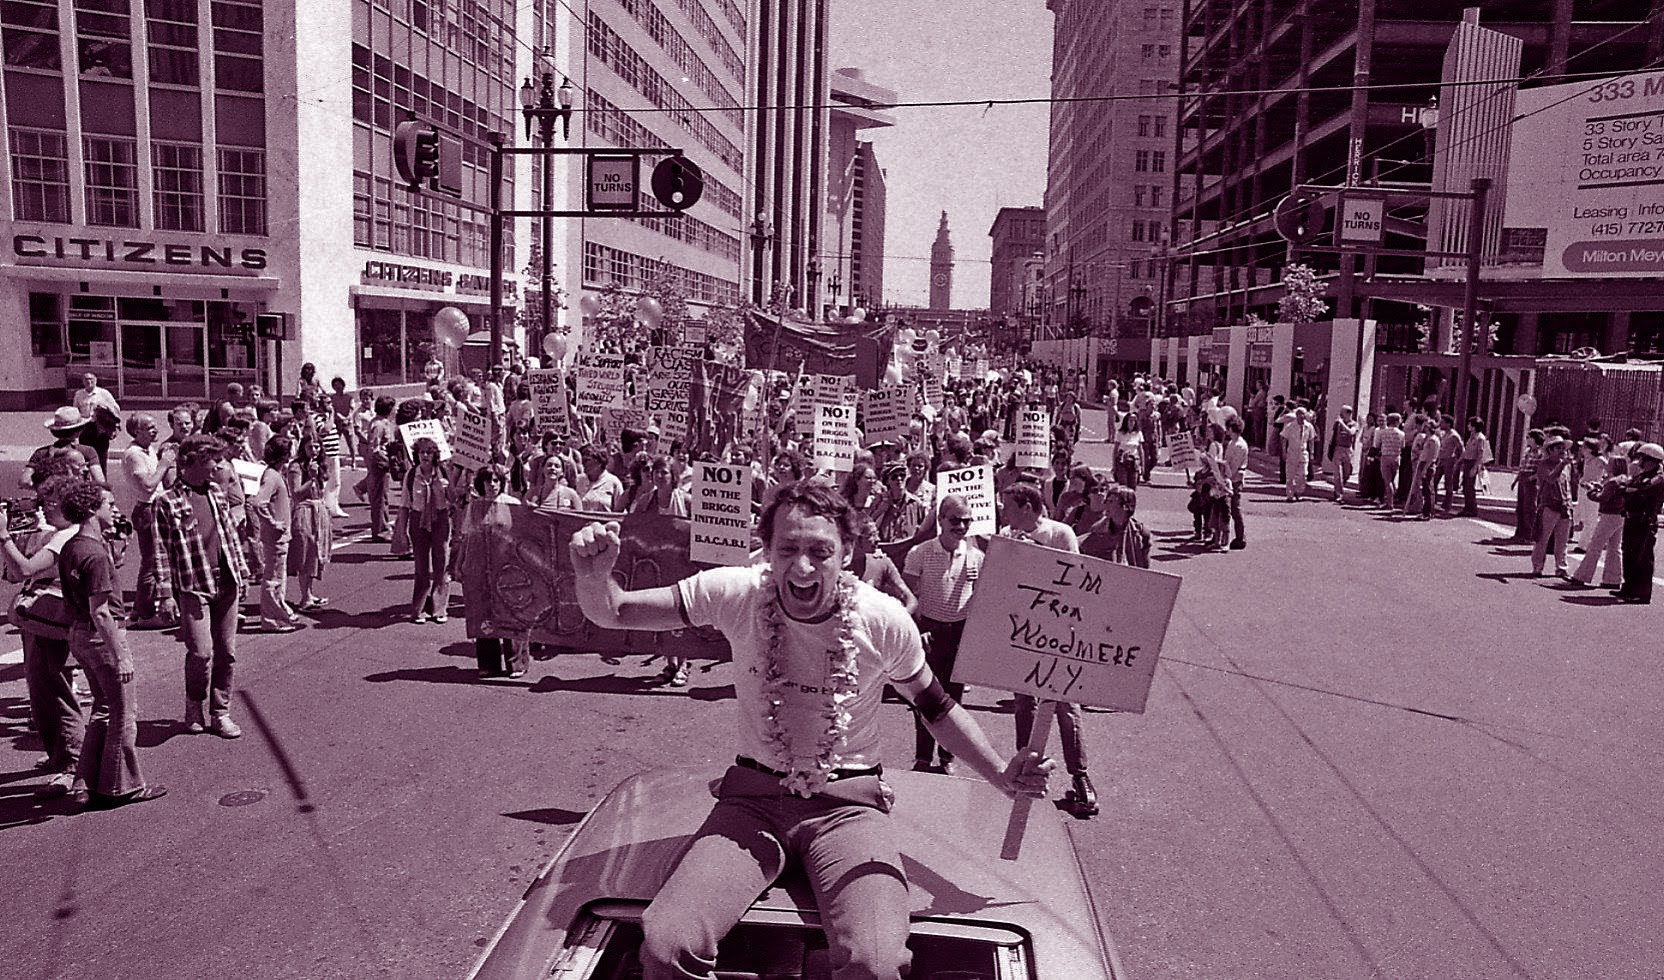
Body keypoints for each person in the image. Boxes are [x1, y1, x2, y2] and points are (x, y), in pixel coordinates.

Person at [567, 481, 1052, 979]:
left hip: (849, 809)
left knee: (876, 963)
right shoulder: (735, 592)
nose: (801, 567)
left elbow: (936, 707)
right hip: (751, 803)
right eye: (788, 549)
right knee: (667, 945)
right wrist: (593, 575)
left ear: (847, 553)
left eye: (820, 551)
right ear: (766, 552)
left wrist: (1001, 773)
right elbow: (616, 610)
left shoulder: (883, 620)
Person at [54, 479, 167, 809]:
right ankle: (122, 785)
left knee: (103, 708)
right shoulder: (95, 555)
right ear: (92, 510)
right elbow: (101, 611)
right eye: (108, 504)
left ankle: (84, 781)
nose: (114, 508)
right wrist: (122, 656)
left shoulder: (73, 547)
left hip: (79, 635)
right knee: (124, 713)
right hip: (102, 637)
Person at [998, 478, 1096, 817]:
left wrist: (1033, 553)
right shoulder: (1008, 537)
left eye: (1008, 507)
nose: (1003, 512)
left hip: (1056, 633)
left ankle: (1080, 777)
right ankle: (1026, 765)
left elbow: (1072, 581)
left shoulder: (1060, 534)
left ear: (1027, 507)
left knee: (1065, 706)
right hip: (1024, 630)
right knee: (1023, 702)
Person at [151, 433, 251, 739]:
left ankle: (220, 712)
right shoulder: (166, 501)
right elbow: (160, 550)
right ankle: (193, 704)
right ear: (191, 461)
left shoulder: (216, 493)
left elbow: (229, 537)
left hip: (226, 580)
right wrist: (166, 593)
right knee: (201, 652)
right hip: (194, 585)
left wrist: (242, 572)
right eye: (213, 460)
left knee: (227, 651)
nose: (218, 466)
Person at [0, 477, 84, 797]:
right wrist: (20, 538)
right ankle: (59, 755)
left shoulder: (67, 537)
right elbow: (11, 574)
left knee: (59, 693)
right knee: (40, 694)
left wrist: (4, 535)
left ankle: (73, 764)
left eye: (49, 504)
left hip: (56, 620)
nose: (43, 510)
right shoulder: (52, 533)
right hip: (37, 619)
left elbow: (24, 570)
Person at [901, 494, 978, 776]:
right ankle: (923, 756)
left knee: (954, 700)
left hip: (959, 633)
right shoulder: (920, 553)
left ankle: (947, 756)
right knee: (925, 697)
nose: (960, 526)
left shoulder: (976, 557)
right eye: (954, 520)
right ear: (941, 521)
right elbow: (907, 596)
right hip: (929, 631)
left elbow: (982, 601)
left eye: (966, 521)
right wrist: (918, 630)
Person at [249, 436, 304, 633]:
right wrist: (273, 523)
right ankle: (271, 619)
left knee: (278, 578)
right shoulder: (272, 476)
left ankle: (279, 613)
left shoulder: (275, 474)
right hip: (276, 536)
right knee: (273, 578)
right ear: (285, 456)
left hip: (280, 535)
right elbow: (258, 502)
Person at [403, 437, 453, 623]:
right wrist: (401, 531)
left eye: (429, 452)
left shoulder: (443, 473)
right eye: (422, 452)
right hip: (418, 521)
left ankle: (439, 608)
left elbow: (454, 500)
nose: (425, 456)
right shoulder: (411, 475)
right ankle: (420, 608)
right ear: (416, 454)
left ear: (435, 455)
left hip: (440, 518)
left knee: (441, 563)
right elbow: (405, 505)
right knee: (421, 567)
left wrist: (447, 489)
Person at [1613, 442, 1664, 604]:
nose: (1640, 461)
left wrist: (1629, 488)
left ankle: (1642, 592)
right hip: (1632, 517)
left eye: (1643, 458)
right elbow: (1627, 486)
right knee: (1628, 553)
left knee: (1642, 556)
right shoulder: (1643, 474)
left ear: (1652, 460)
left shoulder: (1658, 477)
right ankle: (1628, 587)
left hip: (1645, 521)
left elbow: (1641, 488)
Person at [21, 407, 105, 489]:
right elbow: (99, 481)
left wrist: (44, 489)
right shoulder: (88, 451)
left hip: (47, 500)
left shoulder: (40, 453)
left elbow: (25, 481)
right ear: (80, 430)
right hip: (77, 497)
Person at [1531, 436, 1574, 578]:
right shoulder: (1543, 465)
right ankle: (1537, 566)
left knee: (1562, 541)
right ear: (1550, 450)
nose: (1562, 450)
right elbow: (1550, 479)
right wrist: (1561, 465)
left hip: (1564, 505)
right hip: (1549, 505)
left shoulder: (1567, 465)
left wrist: (1570, 504)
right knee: (1542, 538)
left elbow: (1568, 485)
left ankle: (1561, 568)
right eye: (1558, 448)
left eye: (1563, 448)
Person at [1080, 483, 1151, 568]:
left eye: (1111, 502)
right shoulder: (1098, 530)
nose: (1106, 505)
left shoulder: (1141, 533)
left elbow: (1145, 569)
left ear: (1125, 506)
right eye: (1107, 501)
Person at [364, 395, 400, 542]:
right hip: (380, 465)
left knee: (383, 497)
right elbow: (375, 447)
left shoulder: (383, 422)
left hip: (383, 465)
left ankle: (382, 526)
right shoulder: (378, 425)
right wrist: (387, 461)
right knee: (379, 499)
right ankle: (380, 530)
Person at [72, 372, 122, 472]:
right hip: (85, 427)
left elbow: (116, 408)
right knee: (86, 455)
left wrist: (104, 408)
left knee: (101, 454)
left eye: (91, 379)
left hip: (100, 427)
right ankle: (88, 481)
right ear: (83, 381)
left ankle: (103, 479)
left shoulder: (104, 393)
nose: (88, 381)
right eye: (86, 379)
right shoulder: (79, 394)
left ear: (96, 381)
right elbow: (75, 410)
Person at [1458, 417, 1492, 516]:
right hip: (1467, 462)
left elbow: (1480, 454)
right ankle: (1467, 507)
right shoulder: (1471, 437)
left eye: (1470, 424)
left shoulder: (1480, 438)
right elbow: (1467, 451)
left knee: (1469, 487)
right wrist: (1460, 460)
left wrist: (1475, 467)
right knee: (1465, 486)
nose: (1468, 426)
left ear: (1474, 426)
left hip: (1472, 463)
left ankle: (1472, 509)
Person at [1282, 407, 1316, 501]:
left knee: (1303, 474)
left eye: (1304, 414)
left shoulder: (1309, 426)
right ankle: (1289, 495)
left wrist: (1312, 453)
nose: (1302, 416)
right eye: (1300, 414)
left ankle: (1298, 491)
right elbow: (1284, 439)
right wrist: (1284, 452)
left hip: (1303, 452)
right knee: (1290, 475)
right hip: (1292, 452)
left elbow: (1311, 440)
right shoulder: (1290, 426)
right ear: (1296, 415)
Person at [1373, 413, 1406, 511]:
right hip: (1396, 457)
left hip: (1385, 457)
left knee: (1387, 481)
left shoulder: (1383, 432)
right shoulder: (1401, 433)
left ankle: (1389, 503)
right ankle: (1391, 499)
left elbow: (1377, 444)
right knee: (1392, 479)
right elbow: (1402, 446)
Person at [1327, 406, 1359, 503]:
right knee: (1338, 473)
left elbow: (1351, 433)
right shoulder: (1337, 424)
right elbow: (1334, 435)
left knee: (1347, 472)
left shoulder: (1354, 424)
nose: (1340, 414)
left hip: (1347, 449)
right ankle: (1339, 494)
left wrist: (1341, 423)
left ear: (1348, 413)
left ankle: (1338, 488)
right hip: (1338, 448)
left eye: (1342, 412)